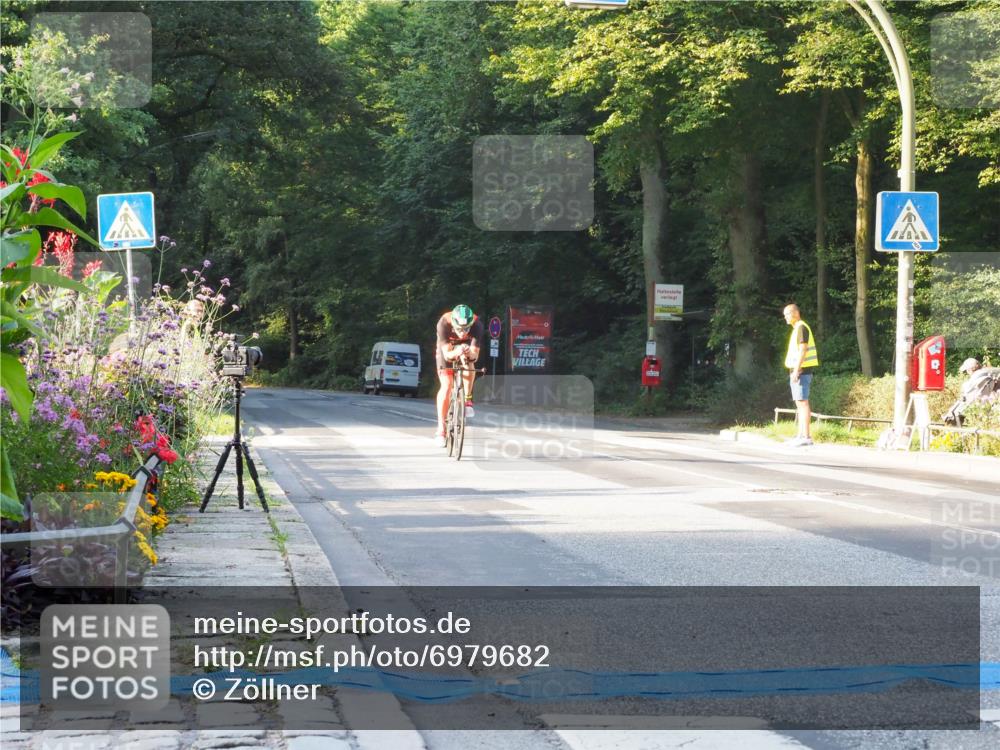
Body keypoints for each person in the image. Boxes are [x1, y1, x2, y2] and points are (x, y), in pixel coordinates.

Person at [434, 304, 483, 446]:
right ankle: (441, 430)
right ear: (453, 324)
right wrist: (457, 351)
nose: (463, 332)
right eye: (460, 329)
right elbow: (448, 355)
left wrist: (467, 352)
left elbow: (475, 356)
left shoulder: (477, 325)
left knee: (469, 362)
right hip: (448, 347)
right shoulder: (443, 323)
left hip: (466, 346)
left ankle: (468, 400)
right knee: (447, 384)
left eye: (466, 328)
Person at [782, 303, 819, 446]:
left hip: (802, 371)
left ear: (794, 313)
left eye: (787, 314)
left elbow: (803, 350)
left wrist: (796, 370)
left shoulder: (801, 327)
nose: (785, 318)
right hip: (799, 370)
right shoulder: (798, 328)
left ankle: (806, 437)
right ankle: (800, 435)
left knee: (803, 403)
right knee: (799, 402)